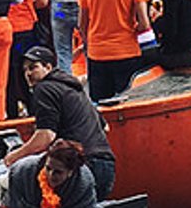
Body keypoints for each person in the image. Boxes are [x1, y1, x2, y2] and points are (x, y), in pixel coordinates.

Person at [13, 46, 117, 197]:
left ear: (48, 67)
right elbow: (105, 127)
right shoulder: (74, 88)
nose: (28, 74)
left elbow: (46, 135)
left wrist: (15, 156)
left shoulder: (44, 88)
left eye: (33, 67)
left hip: (80, 166)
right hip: (106, 165)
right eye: (25, 70)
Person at [78, 0, 150, 101]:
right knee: (127, 105)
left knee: (99, 105)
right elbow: (144, 22)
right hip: (126, 50)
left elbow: (82, 20)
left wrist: (87, 41)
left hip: (97, 52)